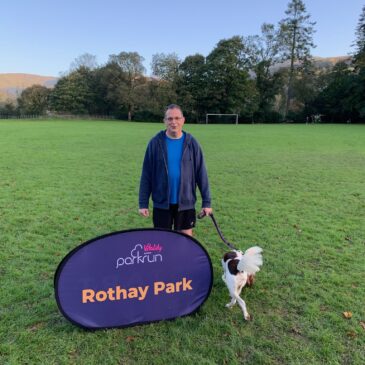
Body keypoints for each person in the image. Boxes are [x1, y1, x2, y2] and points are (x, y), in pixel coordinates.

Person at [138, 104, 212, 236]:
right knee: (162, 240)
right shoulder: (155, 143)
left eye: (177, 118)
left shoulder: (192, 143)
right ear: (164, 121)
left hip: (186, 202)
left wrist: (206, 202)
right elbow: (146, 175)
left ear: (183, 120)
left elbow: (201, 174)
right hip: (162, 203)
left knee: (185, 240)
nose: (174, 122)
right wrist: (143, 203)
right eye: (170, 118)